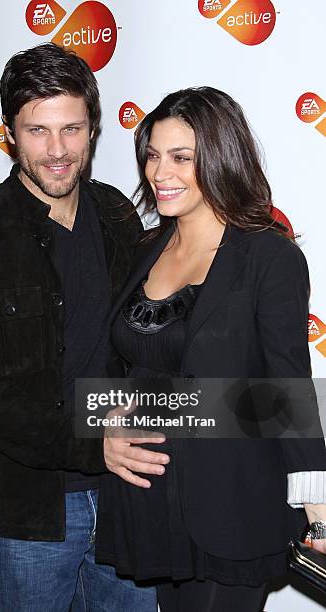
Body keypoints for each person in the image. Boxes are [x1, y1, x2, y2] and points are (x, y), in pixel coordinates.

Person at [0, 43, 157, 611]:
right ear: (10, 131)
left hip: (128, 496)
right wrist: (91, 444)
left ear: (94, 129)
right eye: (38, 131)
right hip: (26, 512)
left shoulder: (118, 215)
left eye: (72, 129)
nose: (57, 151)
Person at [96, 87, 326, 611]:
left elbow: (286, 389)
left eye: (182, 158)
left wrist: (319, 512)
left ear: (221, 158)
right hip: (152, 505)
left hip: (236, 506)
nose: (160, 173)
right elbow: (117, 367)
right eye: (153, 156)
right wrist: (104, 428)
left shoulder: (268, 255)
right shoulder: (144, 250)